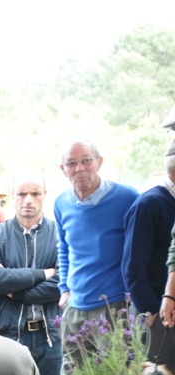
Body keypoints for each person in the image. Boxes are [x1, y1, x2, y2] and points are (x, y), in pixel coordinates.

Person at [0, 174, 63, 375]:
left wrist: (15, 292)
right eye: (22, 194)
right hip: (7, 336)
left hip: (50, 338)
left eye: (35, 194)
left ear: (45, 195)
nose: (28, 200)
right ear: (12, 196)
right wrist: (43, 273)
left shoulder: (60, 234)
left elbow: (63, 281)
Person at [54, 140, 139, 363]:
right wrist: (64, 289)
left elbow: (141, 250)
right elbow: (64, 248)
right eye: (71, 163)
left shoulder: (128, 198)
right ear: (63, 169)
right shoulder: (61, 203)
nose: (79, 168)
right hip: (75, 307)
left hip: (115, 306)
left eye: (86, 161)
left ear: (99, 162)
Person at [123, 141, 175, 370]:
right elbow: (132, 267)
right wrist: (151, 311)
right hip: (158, 315)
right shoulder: (149, 204)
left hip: (168, 310)